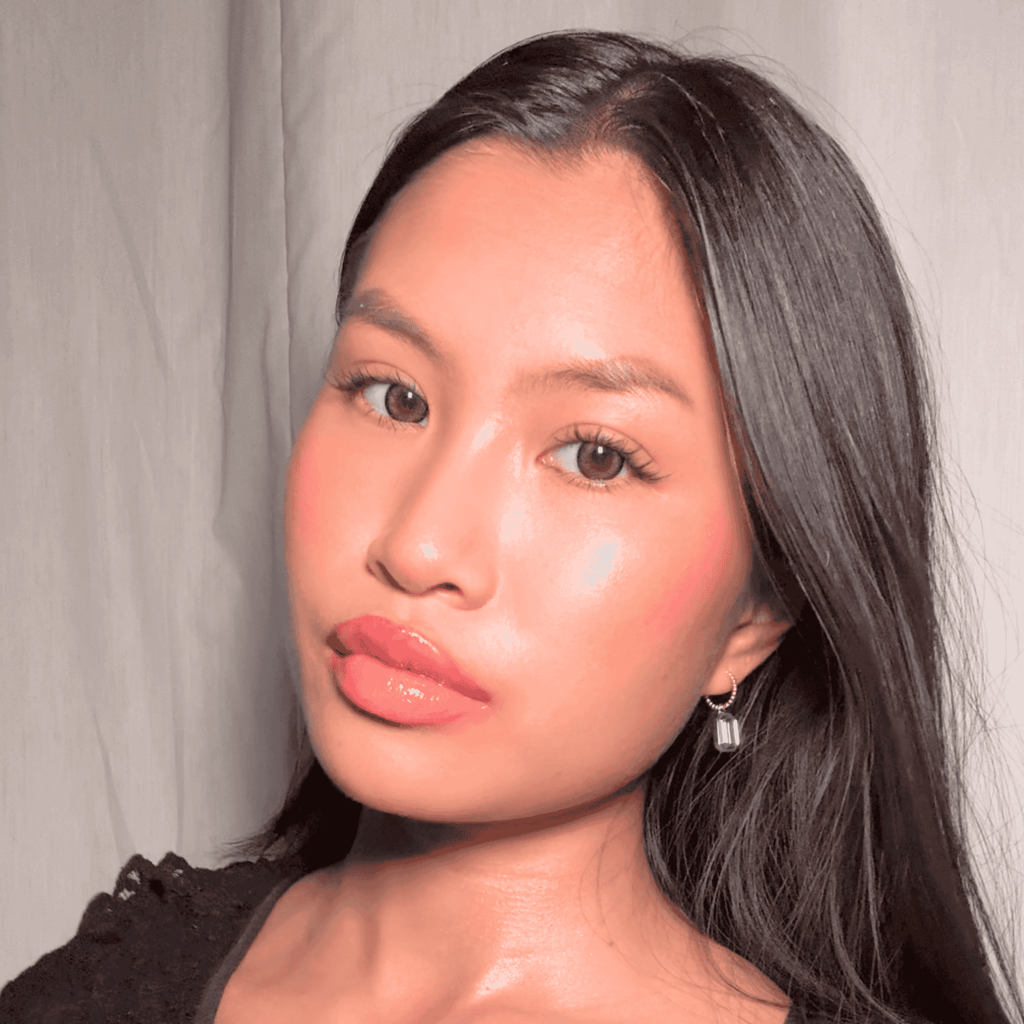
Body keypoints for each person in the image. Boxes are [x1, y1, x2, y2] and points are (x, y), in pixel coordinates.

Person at [2, 28, 1020, 1024]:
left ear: (756, 610)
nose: (418, 545)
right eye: (391, 395)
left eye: (594, 454)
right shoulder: (98, 990)